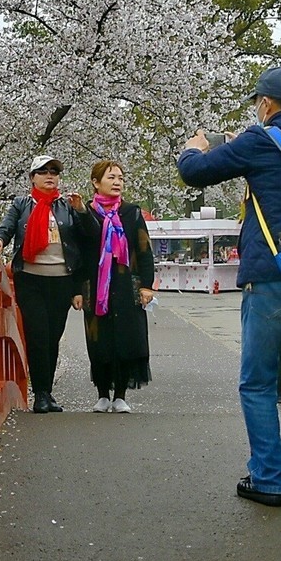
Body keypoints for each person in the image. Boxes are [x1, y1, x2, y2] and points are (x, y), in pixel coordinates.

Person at [178, 65, 281, 518]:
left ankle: (267, 479)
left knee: (258, 382)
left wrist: (196, 146)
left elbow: (195, 173)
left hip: (271, 279)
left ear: (265, 104)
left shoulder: (257, 139)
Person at [0, 154, 96, 414]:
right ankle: (41, 394)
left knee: (53, 337)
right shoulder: (21, 204)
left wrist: (82, 210)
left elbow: (91, 236)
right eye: (44, 171)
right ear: (32, 177)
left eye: (54, 171)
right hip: (31, 279)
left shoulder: (68, 205)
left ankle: (46, 391)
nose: (50, 176)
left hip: (61, 280)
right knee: (38, 335)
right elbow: (7, 228)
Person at [81, 160, 155, 413]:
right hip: (96, 285)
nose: (117, 182)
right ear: (96, 182)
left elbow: (144, 250)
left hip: (126, 283)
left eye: (121, 178)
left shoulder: (131, 212)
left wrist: (147, 285)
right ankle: (102, 393)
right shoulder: (85, 213)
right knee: (98, 338)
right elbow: (79, 252)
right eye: (111, 177)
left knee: (126, 336)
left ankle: (121, 394)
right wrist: (76, 290)